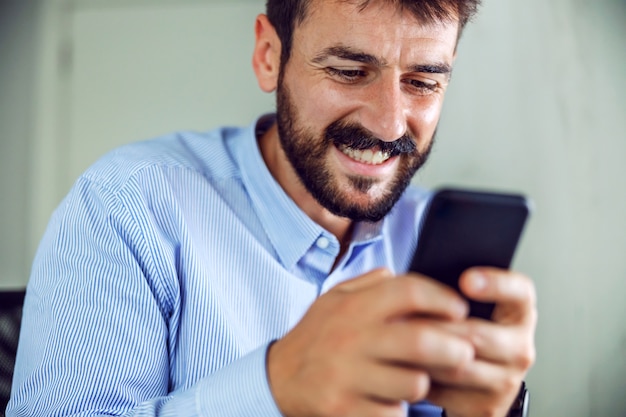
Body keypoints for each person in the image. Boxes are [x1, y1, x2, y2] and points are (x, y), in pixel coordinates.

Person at [7, 0, 536, 416]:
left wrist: (494, 406)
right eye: (350, 71)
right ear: (269, 56)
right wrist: (275, 388)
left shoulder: (425, 232)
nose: (389, 124)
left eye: (423, 82)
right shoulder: (128, 205)